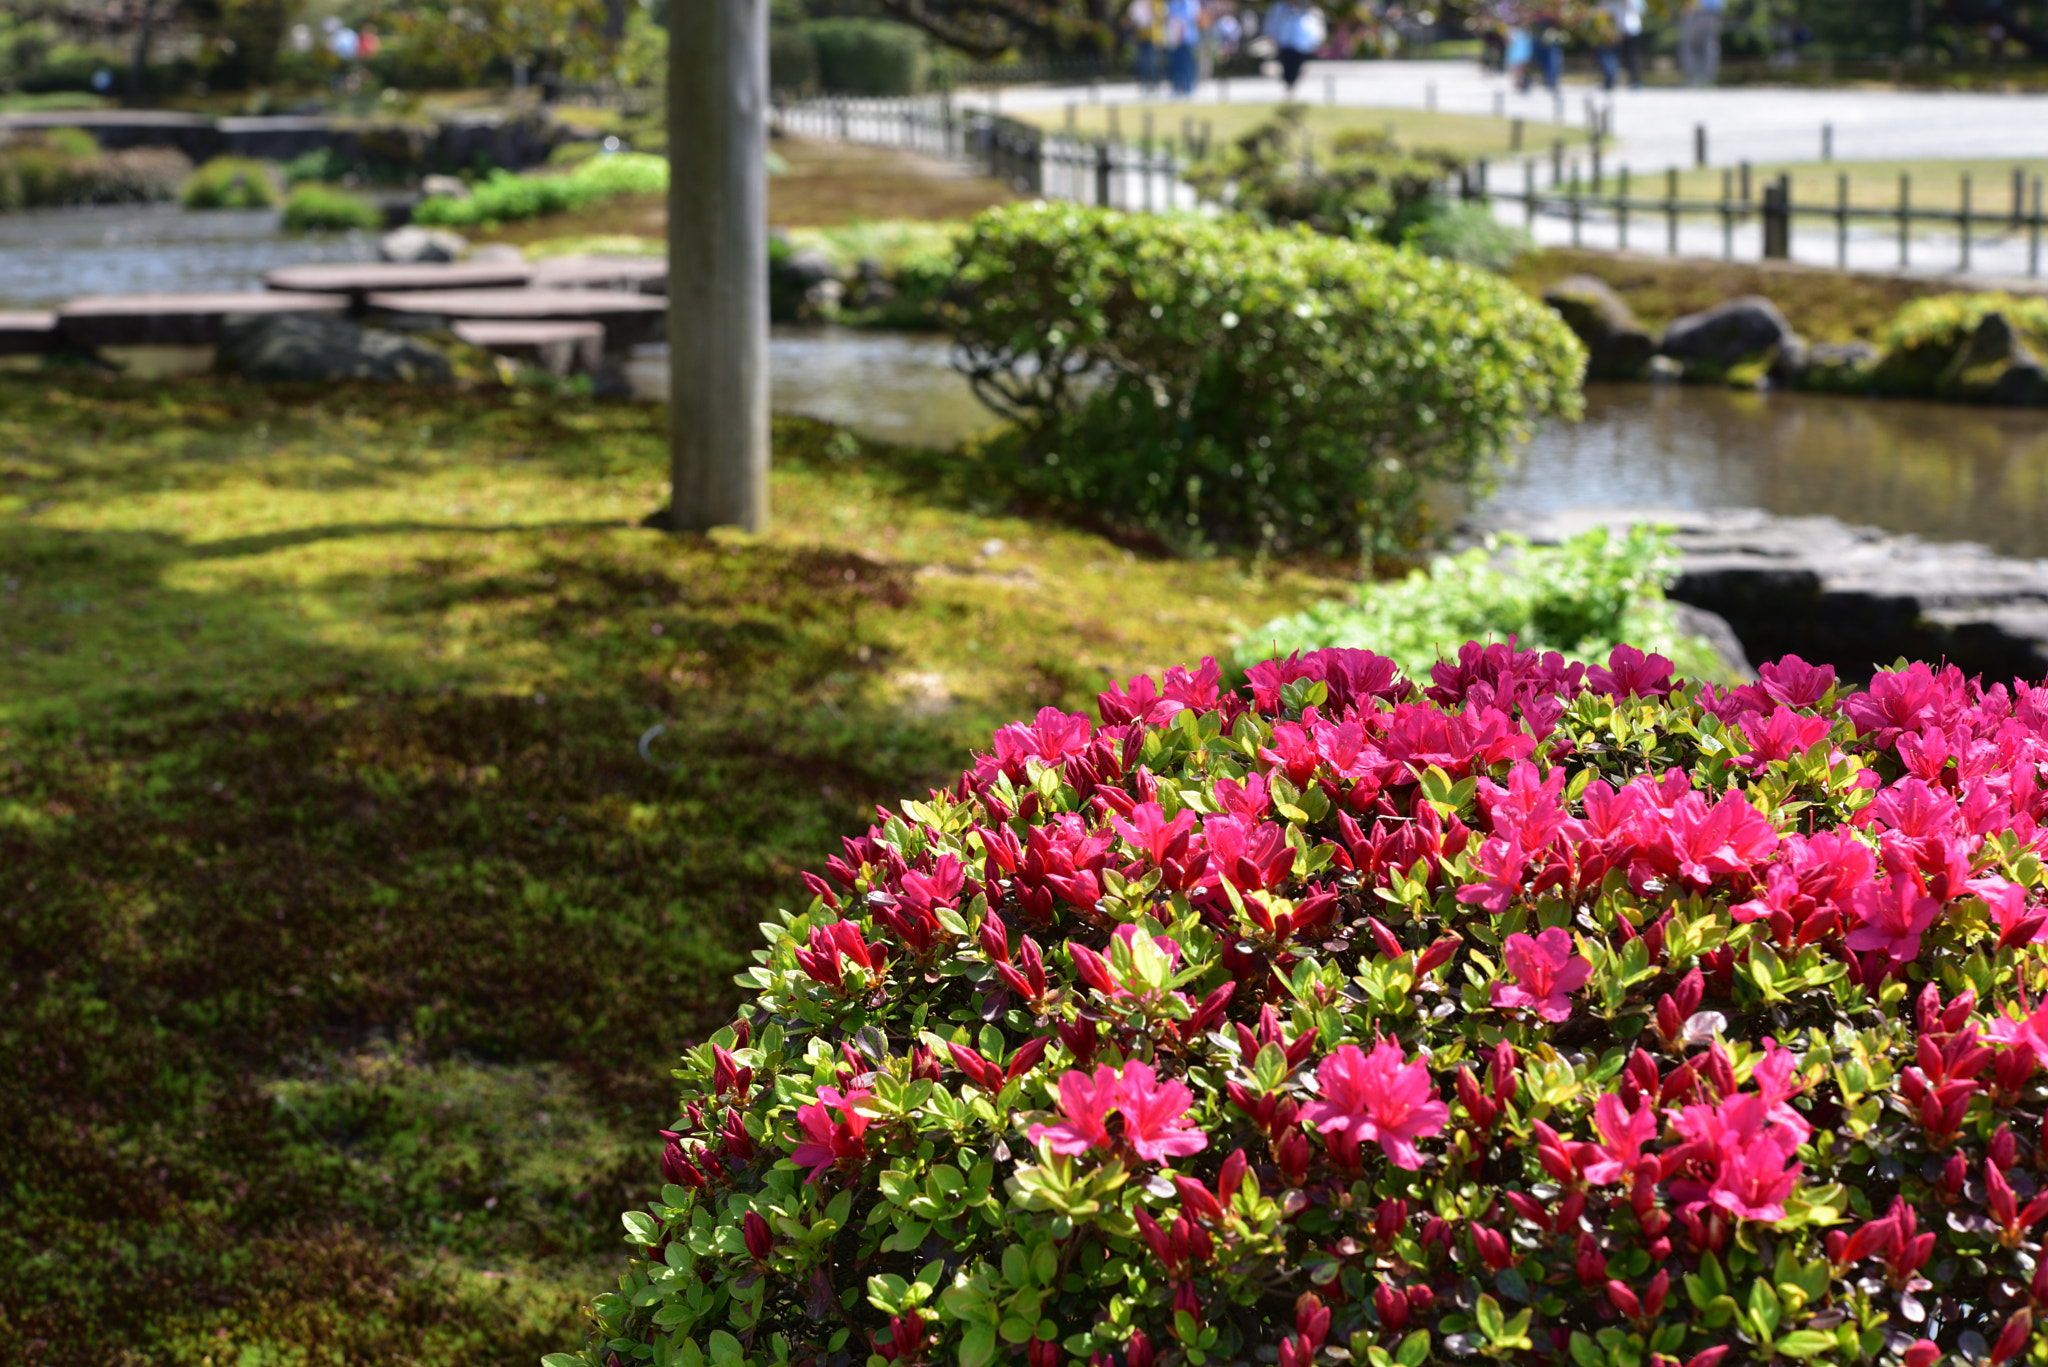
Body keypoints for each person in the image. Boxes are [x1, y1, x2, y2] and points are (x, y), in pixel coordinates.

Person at [1266, 0, 1325, 94]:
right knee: (1286, 67)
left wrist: (1314, 43)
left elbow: (1313, 26)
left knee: (1296, 67)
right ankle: (1289, 87)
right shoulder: (1280, 7)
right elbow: (1273, 23)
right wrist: (1272, 38)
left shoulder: (1307, 8)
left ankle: (1292, 87)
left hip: (1300, 44)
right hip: (1284, 42)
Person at [1599, 0, 1643, 89]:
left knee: (1631, 56)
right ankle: (1610, 80)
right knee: (1614, 56)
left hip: (1630, 29)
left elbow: (1639, 9)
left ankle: (1636, 81)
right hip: (1617, 29)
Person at [1164, 0, 1204, 96]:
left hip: (1187, 39)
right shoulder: (1173, 4)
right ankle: (1176, 87)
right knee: (1175, 64)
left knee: (1187, 64)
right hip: (1175, 39)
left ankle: (1188, 87)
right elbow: (1168, 17)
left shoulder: (1191, 3)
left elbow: (1194, 17)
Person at [1680, 0, 1723, 87]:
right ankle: (1708, 79)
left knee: (1689, 46)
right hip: (1714, 14)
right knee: (1709, 46)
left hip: (1697, 13)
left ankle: (1693, 78)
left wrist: (1688, 9)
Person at [1127, 0, 1163, 93]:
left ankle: (1153, 83)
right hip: (1141, 37)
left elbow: (1159, 16)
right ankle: (1144, 83)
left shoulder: (1155, 3)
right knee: (1143, 62)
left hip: (1152, 37)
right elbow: (1132, 15)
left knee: (1151, 62)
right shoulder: (1138, 3)